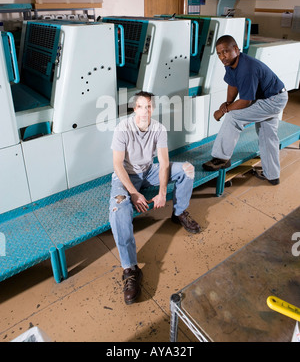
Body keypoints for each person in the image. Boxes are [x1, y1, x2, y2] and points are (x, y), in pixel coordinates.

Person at [109, 90, 200, 305]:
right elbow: (117, 164)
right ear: (134, 109)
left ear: (152, 109)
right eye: (140, 106)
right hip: (125, 177)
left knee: (187, 168)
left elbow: (164, 163)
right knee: (119, 208)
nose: (144, 111)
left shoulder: (158, 129)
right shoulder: (122, 129)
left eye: (148, 107)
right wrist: (132, 192)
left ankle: (178, 213)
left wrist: (161, 192)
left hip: (149, 171)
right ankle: (130, 269)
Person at [203, 35, 288, 185]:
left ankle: (221, 158)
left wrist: (224, 111)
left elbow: (246, 101)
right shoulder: (231, 63)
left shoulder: (246, 69)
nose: (222, 56)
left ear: (236, 49)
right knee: (267, 135)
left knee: (233, 117)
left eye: (226, 51)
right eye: (219, 53)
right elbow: (232, 83)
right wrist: (228, 103)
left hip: (272, 100)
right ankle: (273, 175)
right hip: (273, 97)